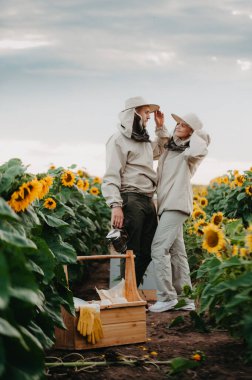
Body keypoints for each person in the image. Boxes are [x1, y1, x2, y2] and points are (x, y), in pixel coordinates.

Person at [101, 96, 168, 286]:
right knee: (130, 252)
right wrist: (115, 205)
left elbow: (162, 149)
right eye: (146, 112)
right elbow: (112, 174)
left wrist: (160, 127)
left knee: (147, 252)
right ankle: (127, 296)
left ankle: (129, 291)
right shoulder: (118, 139)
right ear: (134, 113)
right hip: (130, 199)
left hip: (148, 200)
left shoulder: (145, 141)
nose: (149, 116)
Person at [149, 112, 210, 312]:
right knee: (178, 253)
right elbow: (163, 140)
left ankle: (166, 297)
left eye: (184, 125)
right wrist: (160, 126)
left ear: (192, 131)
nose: (178, 126)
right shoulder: (171, 147)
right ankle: (186, 299)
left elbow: (199, 148)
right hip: (167, 204)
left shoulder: (190, 153)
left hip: (177, 204)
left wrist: (197, 134)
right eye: (178, 123)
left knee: (158, 248)